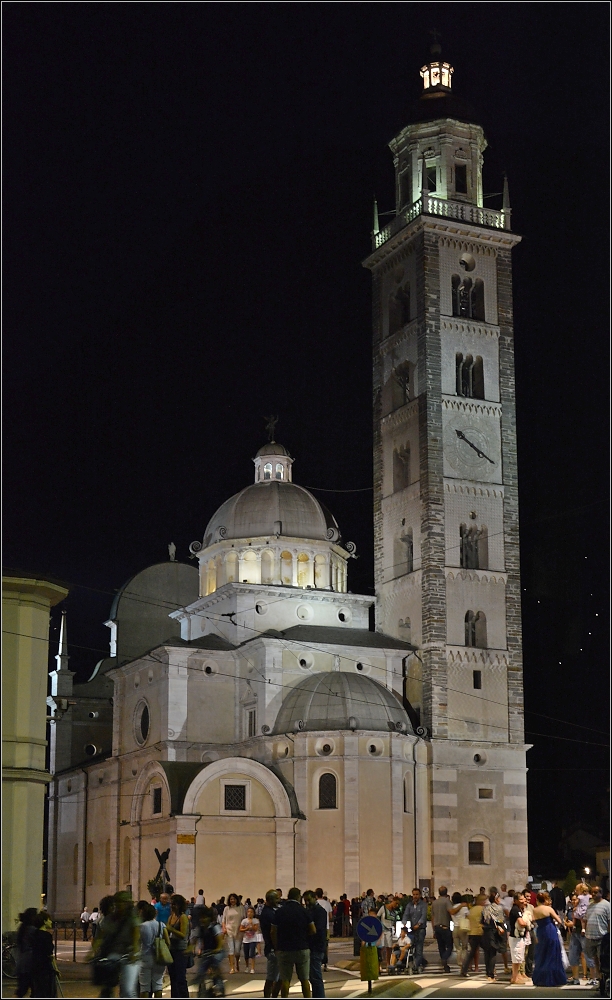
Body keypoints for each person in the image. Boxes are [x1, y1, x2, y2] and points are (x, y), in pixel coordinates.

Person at [90, 890, 141, 999]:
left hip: (129, 956)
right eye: (117, 902)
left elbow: (136, 938)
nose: (119, 905)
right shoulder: (109, 919)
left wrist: (134, 952)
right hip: (114, 954)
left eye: (122, 902)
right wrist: (92, 952)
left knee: (127, 990)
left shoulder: (133, 919)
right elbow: (100, 937)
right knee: (107, 986)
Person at [270, 886, 315, 999]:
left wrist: (276, 946)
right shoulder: (304, 911)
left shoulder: (280, 912)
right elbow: (313, 930)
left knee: (285, 980)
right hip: (302, 947)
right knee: (304, 980)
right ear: (298, 897)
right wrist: (304, 935)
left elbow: (273, 931)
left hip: (284, 949)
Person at [531, 890, 566, 987]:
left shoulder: (535, 910)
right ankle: (554, 978)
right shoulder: (549, 909)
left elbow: (533, 921)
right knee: (552, 953)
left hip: (541, 931)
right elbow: (559, 921)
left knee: (542, 954)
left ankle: (540, 977)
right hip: (550, 930)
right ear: (545, 899)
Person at [139, 900, 171, 999]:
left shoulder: (141, 927)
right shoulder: (161, 925)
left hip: (145, 957)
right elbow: (168, 942)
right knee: (158, 985)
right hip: (159, 957)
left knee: (144, 986)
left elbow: (136, 943)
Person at [193, 906, 225, 998]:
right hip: (207, 951)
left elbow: (220, 941)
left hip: (217, 951)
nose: (202, 920)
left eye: (205, 917)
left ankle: (219, 986)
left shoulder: (215, 927)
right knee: (201, 970)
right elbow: (195, 940)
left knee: (214, 964)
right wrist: (192, 949)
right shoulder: (200, 928)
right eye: (201, 917)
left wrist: (217, 949)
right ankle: (201, 989)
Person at [584, 888, 611, 983]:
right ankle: (599, 976)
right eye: (592, 892)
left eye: (596, 892)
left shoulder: (607, 905)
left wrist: (609, 935)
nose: (593, 894)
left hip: (602, 937)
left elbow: (609, 921)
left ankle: (605, 976)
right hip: (590, 936)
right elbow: (586, 919)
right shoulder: (590, 905)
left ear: (601, 893)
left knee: (602, 958)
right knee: (594, 957)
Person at [303, 890, 327, 998]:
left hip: (316, 947)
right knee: (312, 977)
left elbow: (319, 930)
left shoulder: (319, 911)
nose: (307, 903)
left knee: (316, 976)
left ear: (315, 898)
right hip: (312, 946)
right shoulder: (309, 910)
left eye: (309, 900)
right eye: (305, 900)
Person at [479, 890, 506, 983]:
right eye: (498, 898)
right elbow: (501, 921)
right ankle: (491, 974)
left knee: (487, 953)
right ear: (495, 899)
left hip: (485, 932)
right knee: (493, 953)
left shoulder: (485, 908)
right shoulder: (498, 909)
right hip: (494, 932)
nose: (500, 900)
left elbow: (482, 921)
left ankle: (488, 973)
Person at [166, 894, 190, 998]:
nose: (172, 906)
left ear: (179, 905)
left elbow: (183, 934)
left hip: (180, 950)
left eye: (174, 904)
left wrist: (171, 929)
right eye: (171, 904)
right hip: (172, 949)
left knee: (180, 978)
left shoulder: (183, 917)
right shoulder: (171, 917)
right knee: (173, 978)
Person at [31, 910, 58, 998]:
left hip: (35, 965)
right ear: (45, 921)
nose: (51, 922)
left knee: (38, 990)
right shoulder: (46, 936)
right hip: (45, 967)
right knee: (47, 991)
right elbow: (50, 954)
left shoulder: (34, 934)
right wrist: (56, 968)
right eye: (49, 920)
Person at [260, 889, 281, 999]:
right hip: (273, 948)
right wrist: (276, 947)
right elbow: (273, 931)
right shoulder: (268, 913)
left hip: (274, 947)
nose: (279, 900)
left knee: (278, 977)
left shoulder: (271, 910)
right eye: (276, 898)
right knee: (272, 977)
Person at [402, 887, 428, 974]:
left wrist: (419, 924)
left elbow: (423, 916)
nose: (415, 896)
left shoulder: (423, 905)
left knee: (419, 948)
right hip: (412, 929)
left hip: (420, 929)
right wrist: (404, 922)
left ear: (420, 895)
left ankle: (416, 965)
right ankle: (418, 962)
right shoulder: (409, 905)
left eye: (417, 894)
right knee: (412, 947)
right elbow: (406, 915)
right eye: (414, 894)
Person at [15, 907, 38, 999]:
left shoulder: (22, 928)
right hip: (30, 963)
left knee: (22, 989)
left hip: (22, 962)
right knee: (33, 988)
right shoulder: (32, 930)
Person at [508, 892, 531, 984]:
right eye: (520, 899)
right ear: (515, 901)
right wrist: (527, 923)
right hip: (515, 937)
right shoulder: (515, 909)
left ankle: (517, 976)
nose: (523, 901)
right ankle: (514, 978)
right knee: (516, 958)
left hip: (519, 937)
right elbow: (521, 923)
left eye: (523, 899)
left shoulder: (520, 909)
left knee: (519, 958)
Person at [431, 886, 454, 974]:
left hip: (437, 927)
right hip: (445, 926)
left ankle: (445, 965)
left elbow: (432, 917)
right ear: (446, 892)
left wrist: (433, 930)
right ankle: (444, 959)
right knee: (450, 946)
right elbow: (451, 912)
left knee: (441, 946)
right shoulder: (447, 902)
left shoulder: (434, 903)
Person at [221, 893, 245, 973]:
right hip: (229, 930)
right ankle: (232, 967)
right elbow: (223, 920)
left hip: (238, 931)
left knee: (237, 950)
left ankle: (237, 963)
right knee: (231, 949)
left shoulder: (241, 908)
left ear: (236, 900)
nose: (232, 901)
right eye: (231, 899)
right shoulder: (226, 908)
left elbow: (244, 919)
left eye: (234, 899)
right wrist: (224, 928)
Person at [376, 895, 397, 972]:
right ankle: (379, 965)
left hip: (389, 931)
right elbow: (377, 917)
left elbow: (394, 922)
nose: (396, 905)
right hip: (382, 931)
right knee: (380, 948)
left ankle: (388, 964)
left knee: (389, 948)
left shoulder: (394, 913)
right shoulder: (383, 908)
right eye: (396, 903)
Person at [451, 892, 469, 971]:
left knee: (458, 948)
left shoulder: (452, 908)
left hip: (455, 928)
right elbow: (468, 916)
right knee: (464, 947)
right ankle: (464, 964)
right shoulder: (464, 908)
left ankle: (460, 963)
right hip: (463, 928)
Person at [240, 907, 261, 974]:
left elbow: (255, 929)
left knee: (252, 954)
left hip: (253, 939)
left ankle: (252, 968)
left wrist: (251, 924)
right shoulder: (244, 921)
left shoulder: (256, 920)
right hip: (245, 939)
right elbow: (241, 929)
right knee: (246, 955)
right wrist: (246, 929)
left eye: (251, 912)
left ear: (253, 913)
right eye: (248, 912)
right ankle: (247, 967)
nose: (250, 913)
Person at [315, 889, 332, 970]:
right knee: (326, 945)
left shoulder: (315, 903)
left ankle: (318, 962)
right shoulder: (327, 903)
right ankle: (325, 963)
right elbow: (331, 916)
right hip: (326, 927)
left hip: (315, 927)